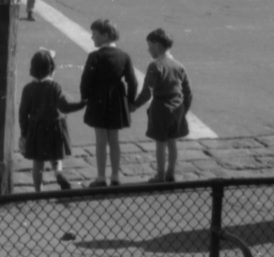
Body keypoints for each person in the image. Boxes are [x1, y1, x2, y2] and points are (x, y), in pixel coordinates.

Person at [80, 18, 138, 187]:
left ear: (105, 35)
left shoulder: (94, 56)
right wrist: (131, 101)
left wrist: (85, 97)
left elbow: (86, 81)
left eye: (95, 34)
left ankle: (100, 177)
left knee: (100, 140)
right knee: (114, 140)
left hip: (98, 100)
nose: (92, 38)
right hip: (117, 99)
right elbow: (132, 82)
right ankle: (115, 176)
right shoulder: (124, 56)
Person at [18, 49, 85, 191]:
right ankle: (59, 173)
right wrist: (82, 104)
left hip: (36, 128)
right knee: (56, 156)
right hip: (55, 126)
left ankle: (38, 190)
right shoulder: (55, 87)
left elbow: (23, 113)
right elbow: (65, 107)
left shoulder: (28, 89)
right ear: (51, 69)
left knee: (38, 162)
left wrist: (24, 132)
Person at [132, 28, 193, 183]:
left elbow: (146, 93)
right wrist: (184, 109)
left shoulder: (155, 66)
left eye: (150, 46)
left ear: (158, 46)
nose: (149, 50)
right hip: (177, 108)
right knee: (172, 142)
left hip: (160, 109)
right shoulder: (179, 66)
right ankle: (171, 172)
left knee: (160, 143)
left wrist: (133, 106)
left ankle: (160, 175)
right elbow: (188, 91)